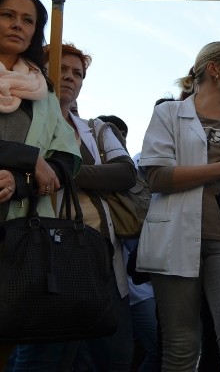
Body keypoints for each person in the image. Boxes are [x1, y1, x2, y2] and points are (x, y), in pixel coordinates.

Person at [18, 43, 139, 371]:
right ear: (41, 71)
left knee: (112, 358)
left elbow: (126, 172)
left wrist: (59, 170)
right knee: (45, 360)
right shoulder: (18, 119)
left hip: (99, 258)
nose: (70, 77)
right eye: (63, 69)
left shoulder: (97, 130)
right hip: (42, 260)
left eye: (78, 73)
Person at [137, 41, 220, 371]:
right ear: (215, 68)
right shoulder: (168, 114)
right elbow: (158, 177)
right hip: (175, 239)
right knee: (181, 346)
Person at [0, 0, 80, 368]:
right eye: (8, 15)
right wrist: (27, 156)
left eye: (28, 20)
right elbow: (39, 156)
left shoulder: (42, 91)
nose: (18, 25)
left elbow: (67, 158)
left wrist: (20, 183)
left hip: (18, 235)